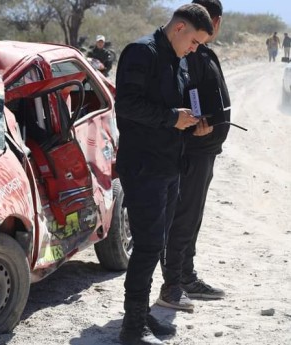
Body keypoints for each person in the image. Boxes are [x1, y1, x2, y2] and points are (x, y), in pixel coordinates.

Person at [115, 4, 212, 345]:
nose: (195, 49)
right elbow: (125, 105)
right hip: (143, 167)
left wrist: (192, 126)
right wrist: (173, 117)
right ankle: (132, 329)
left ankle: (141, 316)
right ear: (180, 27)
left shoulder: (178, 59)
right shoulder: (143, 52)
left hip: (170, 165)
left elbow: (179, 105)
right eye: (195, 41)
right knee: (147, 246)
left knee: (156, 244)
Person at [157, 0, 229, 313]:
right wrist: (196, 125)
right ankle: (174, 282)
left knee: (193, 216)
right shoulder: (188, 52)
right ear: (216, 21)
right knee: (183, 217)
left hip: (206, 149)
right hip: (193, 149)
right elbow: (189, 95)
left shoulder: (200, 50)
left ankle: (186, 275)